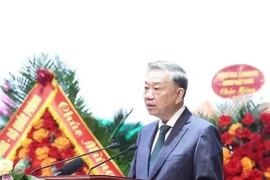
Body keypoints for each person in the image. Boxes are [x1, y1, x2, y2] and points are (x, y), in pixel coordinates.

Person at [128, 61, 223, 180]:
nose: (148, 95)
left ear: (178, 94)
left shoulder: (203, 133)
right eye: (146, 88)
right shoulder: (145, 133)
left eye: (156, 88)